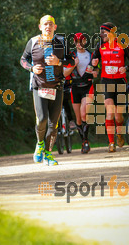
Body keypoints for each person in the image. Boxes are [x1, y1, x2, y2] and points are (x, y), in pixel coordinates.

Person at [20, 15, 74, 166]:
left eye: (51, 24)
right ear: (40, 27)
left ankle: (48, 155)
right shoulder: (33, 42)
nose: (48, 27)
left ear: (55, 27)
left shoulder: (62, 42)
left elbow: (71, 60)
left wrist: (59, 62)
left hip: (57, 88)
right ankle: (39, 144)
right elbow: (22, 60)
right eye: (45, 24)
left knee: (53, 124)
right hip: (39, 87)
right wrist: (31, 68)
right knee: (42, 118)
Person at [92, 22, 129, 153]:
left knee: (119, 117)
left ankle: (120, 134)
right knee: (110, 112)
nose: (101, 35)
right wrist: (94, 64)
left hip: (120, 83)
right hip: (106, 82)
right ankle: (111, 143)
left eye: (103, 32)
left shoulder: (123, 45)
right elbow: (94, 62)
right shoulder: (100, 46)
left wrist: (126, 68)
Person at [64, 33, 98, 153]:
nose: (79, 43)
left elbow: (97, 69)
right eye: (77, 41)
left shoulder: (91, 54)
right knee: (78, 119)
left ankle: (85, 141)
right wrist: (74, 65)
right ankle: (84, 140)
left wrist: (96, 72)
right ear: (74, 42)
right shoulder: (71, 56)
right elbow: (65, 74)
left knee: (84, 114)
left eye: (81, 40)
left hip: (87, 87)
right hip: (75, 87)